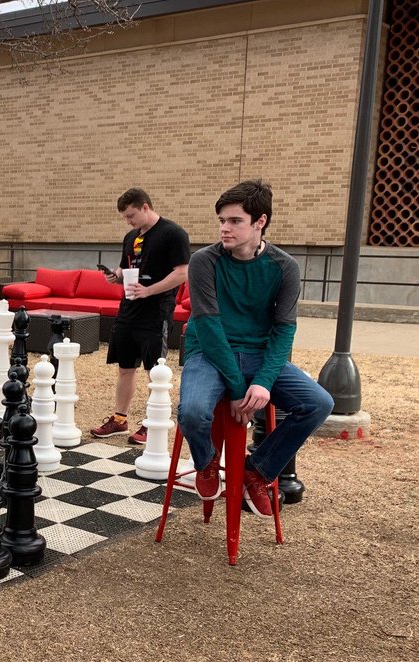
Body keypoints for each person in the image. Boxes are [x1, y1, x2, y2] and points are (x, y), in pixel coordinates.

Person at [177, 179, 333, 518]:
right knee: (191, 411)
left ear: (259, 222)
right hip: (208, 352)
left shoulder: (284, 267)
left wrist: (262, 382)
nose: (224, 229)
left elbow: (284, 330)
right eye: (221, 220)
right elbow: (209, 327)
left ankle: (258, 470)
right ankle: (205, 463)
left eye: (235, 221)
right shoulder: (205, 261)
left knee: (319, 403)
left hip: (259, 354)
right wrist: (237, 390)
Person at [91, 188, 189, 442]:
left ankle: (151, 422)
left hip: (155, 311)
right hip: (128, 309)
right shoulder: (130, 236)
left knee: (154, 370)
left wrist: (149, 291)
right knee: (125, 367)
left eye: (131, 215)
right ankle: (120, 419)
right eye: (125, 217)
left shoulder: (173, 234)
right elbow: (127, 270)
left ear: (146, 207)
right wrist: (116, 276)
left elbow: (182, 272)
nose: (129, 221)